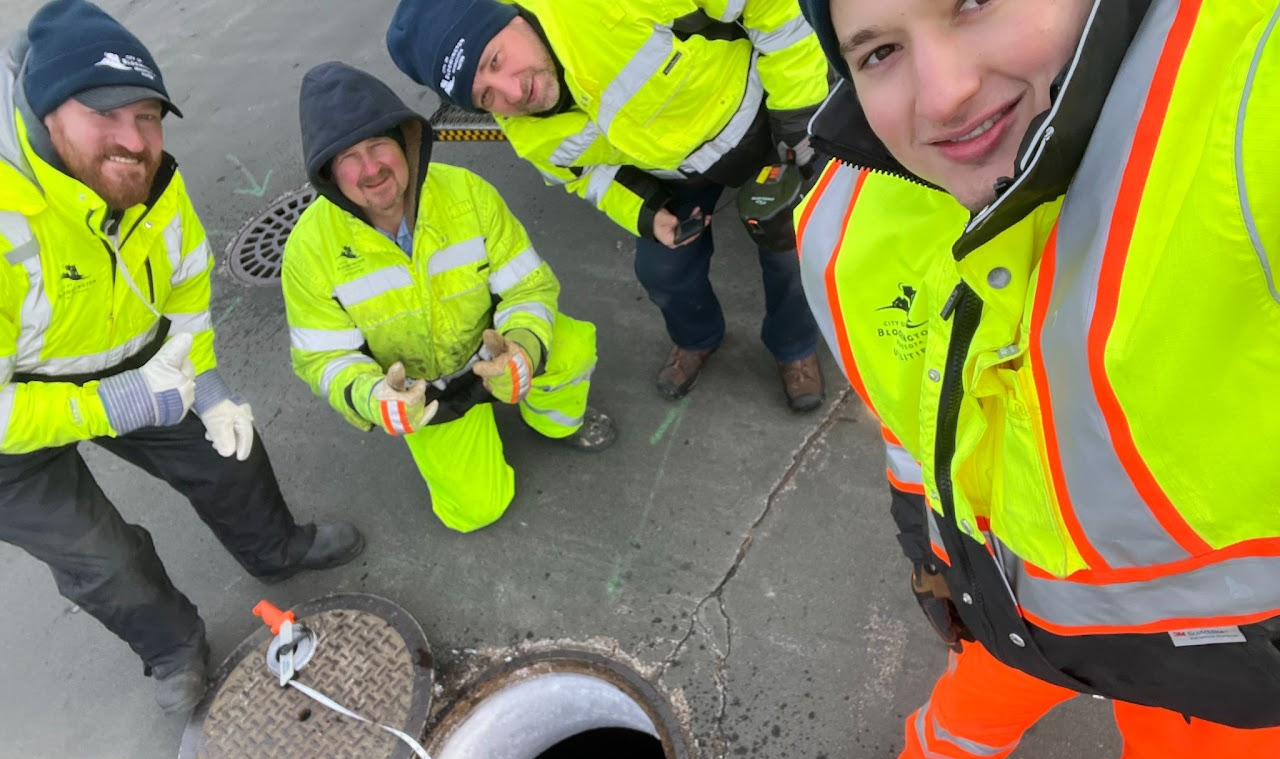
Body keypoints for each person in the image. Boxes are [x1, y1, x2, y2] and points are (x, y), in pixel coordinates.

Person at [794, 0, 1280, 759]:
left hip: (1225, 681)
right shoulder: (842, 228)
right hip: (1010, 604)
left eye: (973, 1)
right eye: (878, 51)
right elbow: (908, 429)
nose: (943, 95)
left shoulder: (1246, 99)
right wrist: (927, 553)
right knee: (960, 717)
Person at [0, 0, 365, 716]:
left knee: (229, 450)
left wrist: (206, 380)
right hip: (15, 418)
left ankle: (277, 549)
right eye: (102, 113)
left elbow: (188, 286)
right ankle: (172, 647)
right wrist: (111, 404)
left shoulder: (151, 181)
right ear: (46, 112)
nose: (132, 140)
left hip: (130, 360)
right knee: (100, 560)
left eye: (146, 116)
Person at [385, 0, 830, 412]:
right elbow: (587, 177)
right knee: (663, 271)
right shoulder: (524, 130)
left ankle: (793, 348)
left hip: (768, 118)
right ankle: (698, 338)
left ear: (512, 16)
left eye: (495, 61)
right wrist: (648, 211)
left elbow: (771, 6)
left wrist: (798, 122)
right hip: (677, 171)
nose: (512, 93)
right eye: (485, 96)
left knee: (791, 247)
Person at [282, 61, 613, 535]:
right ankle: (477, 438)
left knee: (570, 347)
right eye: (348, 157)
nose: (370, 168)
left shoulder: (468, 193)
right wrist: (374, 396)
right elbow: (323, 357)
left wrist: (523, 347)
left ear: (406, 143)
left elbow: (528, 286)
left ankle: (555, 423)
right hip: (427, 397)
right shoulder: (309, 249)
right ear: (329, 174)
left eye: (378, 144)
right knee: (477, 510)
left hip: (492, 353)